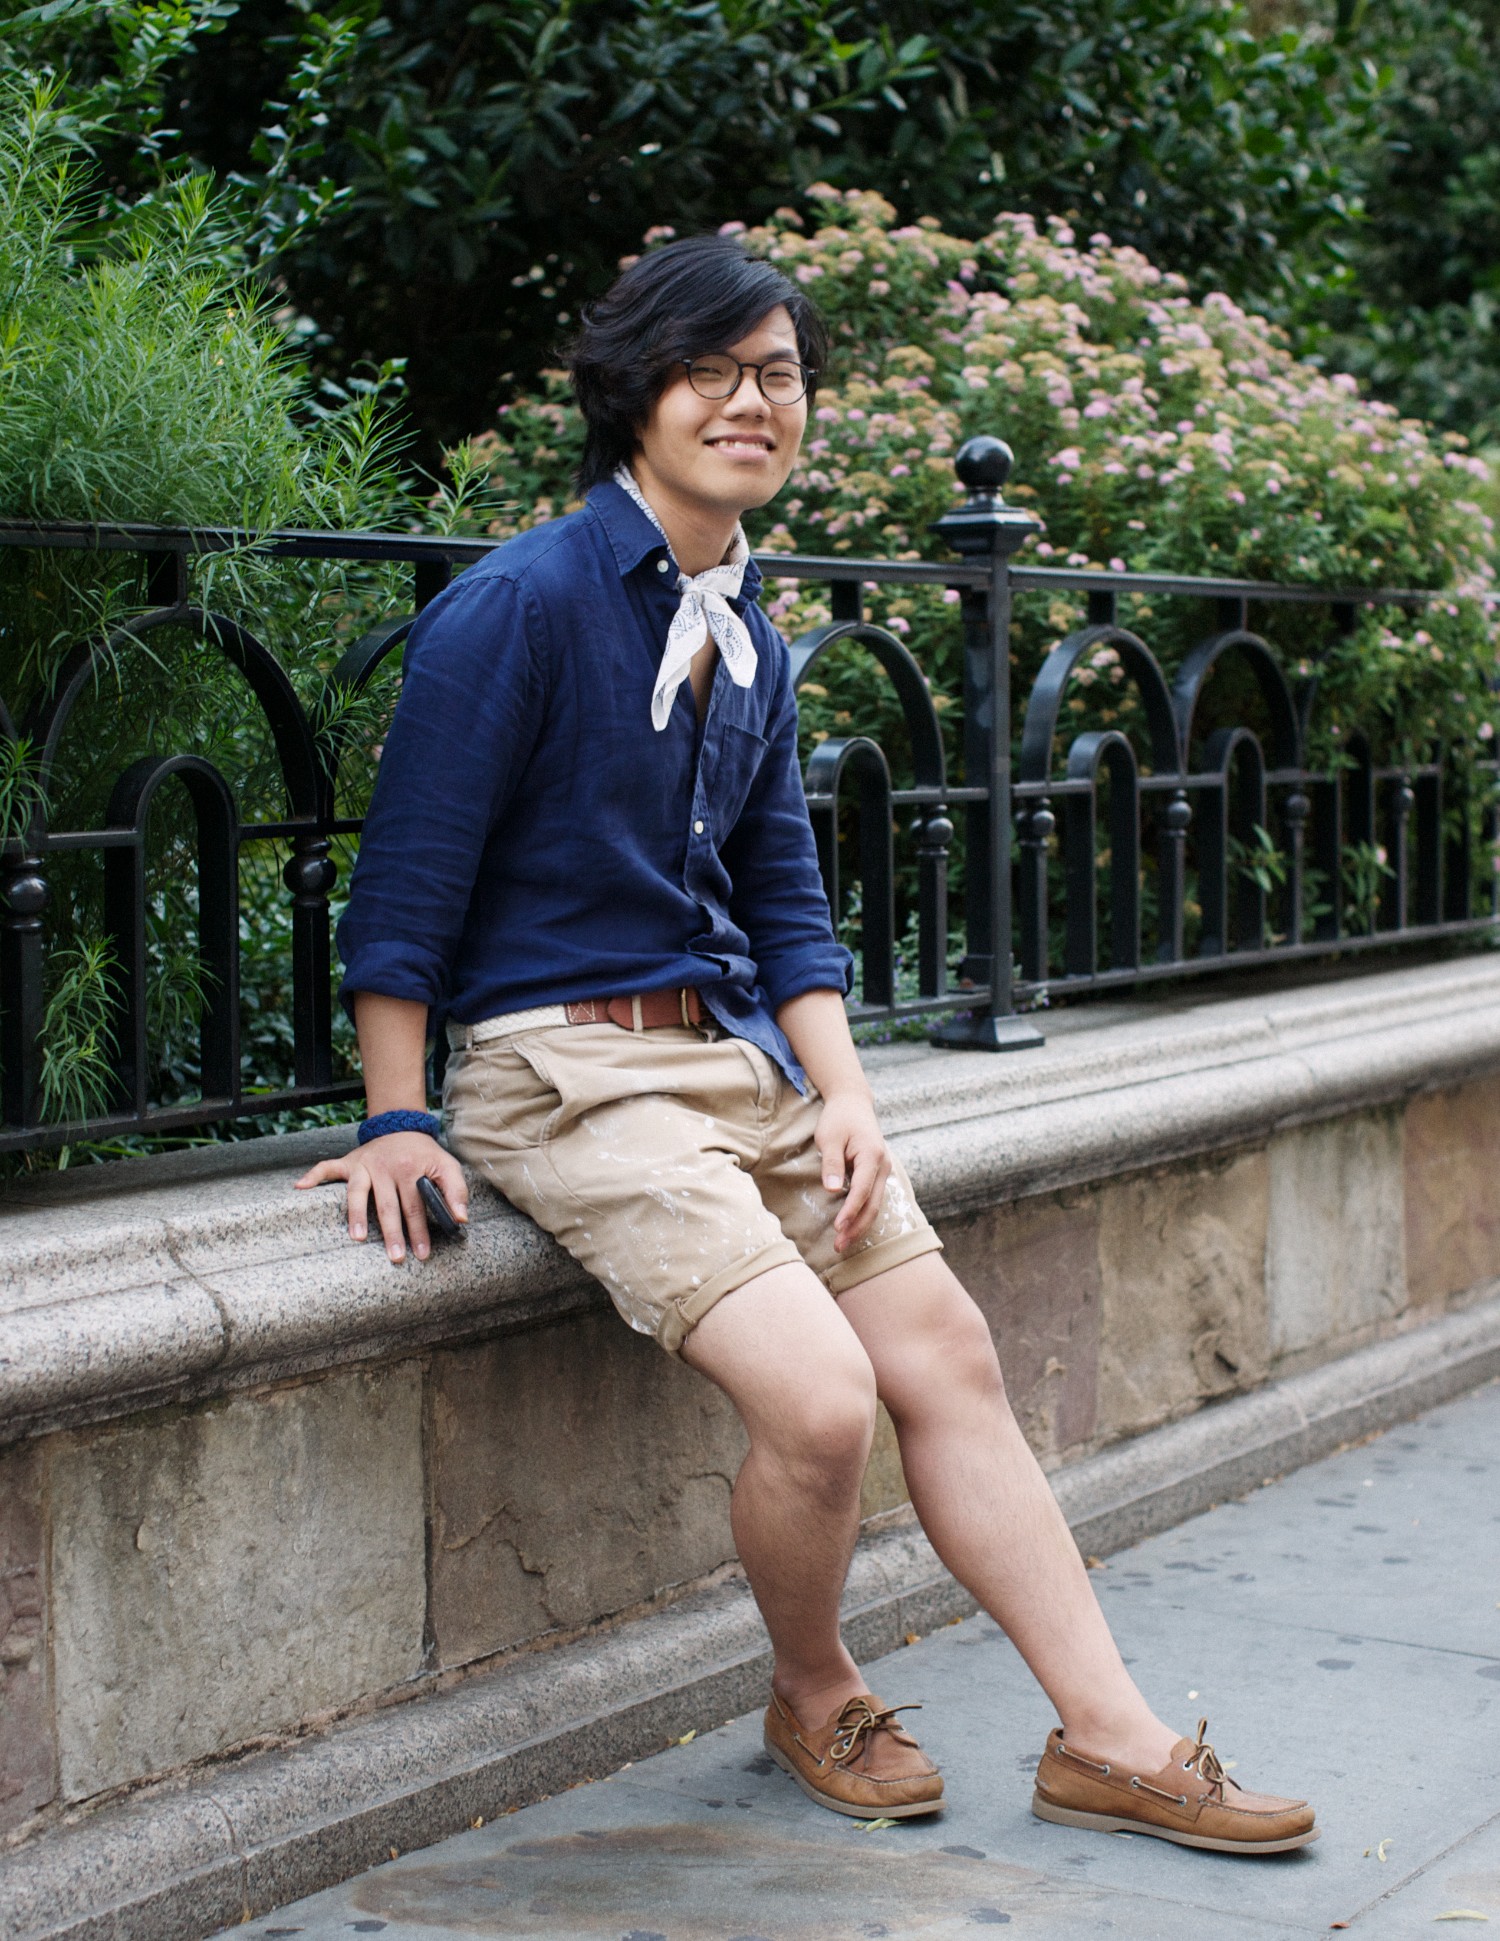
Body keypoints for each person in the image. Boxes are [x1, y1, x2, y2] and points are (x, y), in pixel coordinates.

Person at [297, 235, 1316, 1852]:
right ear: (637, 392)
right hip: (565, 1070)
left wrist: (846, 1095)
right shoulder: (523, 604)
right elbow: (405, 886)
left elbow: (783, 890)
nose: (750, 400)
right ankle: (813, 1681)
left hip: (738, 1064)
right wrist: (401, 1117)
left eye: (778, 372)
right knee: (828, 1404)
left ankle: (1112, 1738)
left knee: (952, 1358)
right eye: (714, 369)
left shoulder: (744, 609)